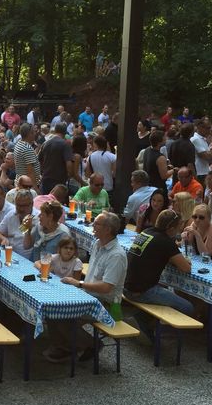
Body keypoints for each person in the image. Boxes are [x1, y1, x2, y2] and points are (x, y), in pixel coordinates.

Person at [52, 212, 127, 362]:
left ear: (107, 229)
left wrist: (79, 283)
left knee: (61, 313)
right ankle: (66, 347)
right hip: (89, 295)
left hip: (106, 303)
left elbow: (106, 287)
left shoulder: (116, 255)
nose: (93, 225)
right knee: (53, 306)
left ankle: (91, 344)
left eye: (97, 223)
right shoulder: (97, 243)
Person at [124, 209, 193, 340]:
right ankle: (155, 329)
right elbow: (186, 268)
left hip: (126, 286)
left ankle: (141, 318)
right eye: (179, 226)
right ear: (171, 228)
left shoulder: (146, 232)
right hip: (141, 291)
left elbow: (156, 253)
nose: (180, 228)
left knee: (166, 292)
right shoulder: (166, 242)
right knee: (188, 307)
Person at [38, 122, 73, 194]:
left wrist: (43, 171)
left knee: (45, 202)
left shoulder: (46, 143)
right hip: (59, 181)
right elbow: (69, 164)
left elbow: (39, 160)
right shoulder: (65, 144)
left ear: (55, 130)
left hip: (46, 178)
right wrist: (69, 175)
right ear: (65, 132)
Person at [14, 123, 41, 191]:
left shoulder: (19, 143)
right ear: (30, 134)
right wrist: (35, 188)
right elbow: (30, 171)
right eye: (34, 132)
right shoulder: (27, 148)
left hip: (21, 180)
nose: (35, 134)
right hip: (27, 185)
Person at [191, 119, 212, 186]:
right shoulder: (196, 139)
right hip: (200, 172)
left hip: (205, 171)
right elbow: (206, 156)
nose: (209, 130)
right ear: (200, 127)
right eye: (207, 128)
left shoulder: (203, 139)